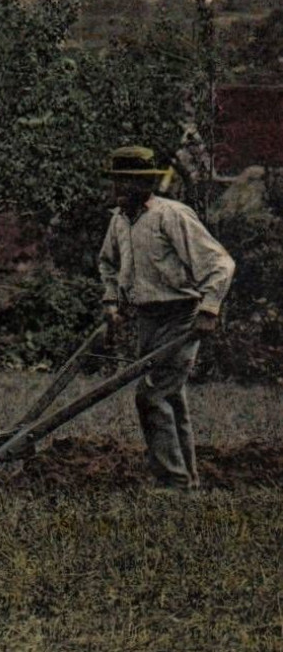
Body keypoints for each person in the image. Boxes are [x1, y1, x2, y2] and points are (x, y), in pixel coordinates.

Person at [97, 146, 234, 492]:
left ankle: (171, 484)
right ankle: (186, 480)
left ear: (144, 184)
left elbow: (220, 264)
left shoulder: (172, 215)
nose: (118, 189)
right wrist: (112, 301)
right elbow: (108, 264)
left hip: (180, 315)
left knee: (151, 395)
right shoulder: (119, 220)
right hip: (147, 317)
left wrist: (209, 308)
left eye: (125, 182)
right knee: (170, 397)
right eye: (116, 182)